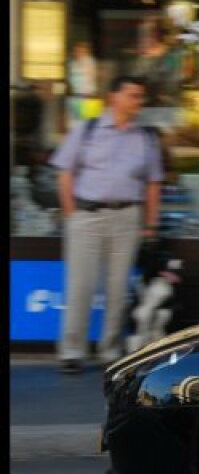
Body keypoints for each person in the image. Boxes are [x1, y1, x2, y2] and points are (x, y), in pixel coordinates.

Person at [50, 75, 166, 374]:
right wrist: (71, 213)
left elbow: (153, 183)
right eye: (132, 95)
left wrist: (150, 226)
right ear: (113, 97)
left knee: (119, 289)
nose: (137, 102)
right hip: (87, 216)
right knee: (81, 286)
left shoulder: (145, 138)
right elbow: (65, 173)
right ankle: (71, 352)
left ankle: (110, 351)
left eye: (140, 97)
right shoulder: (86, 130)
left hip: (127, 216)